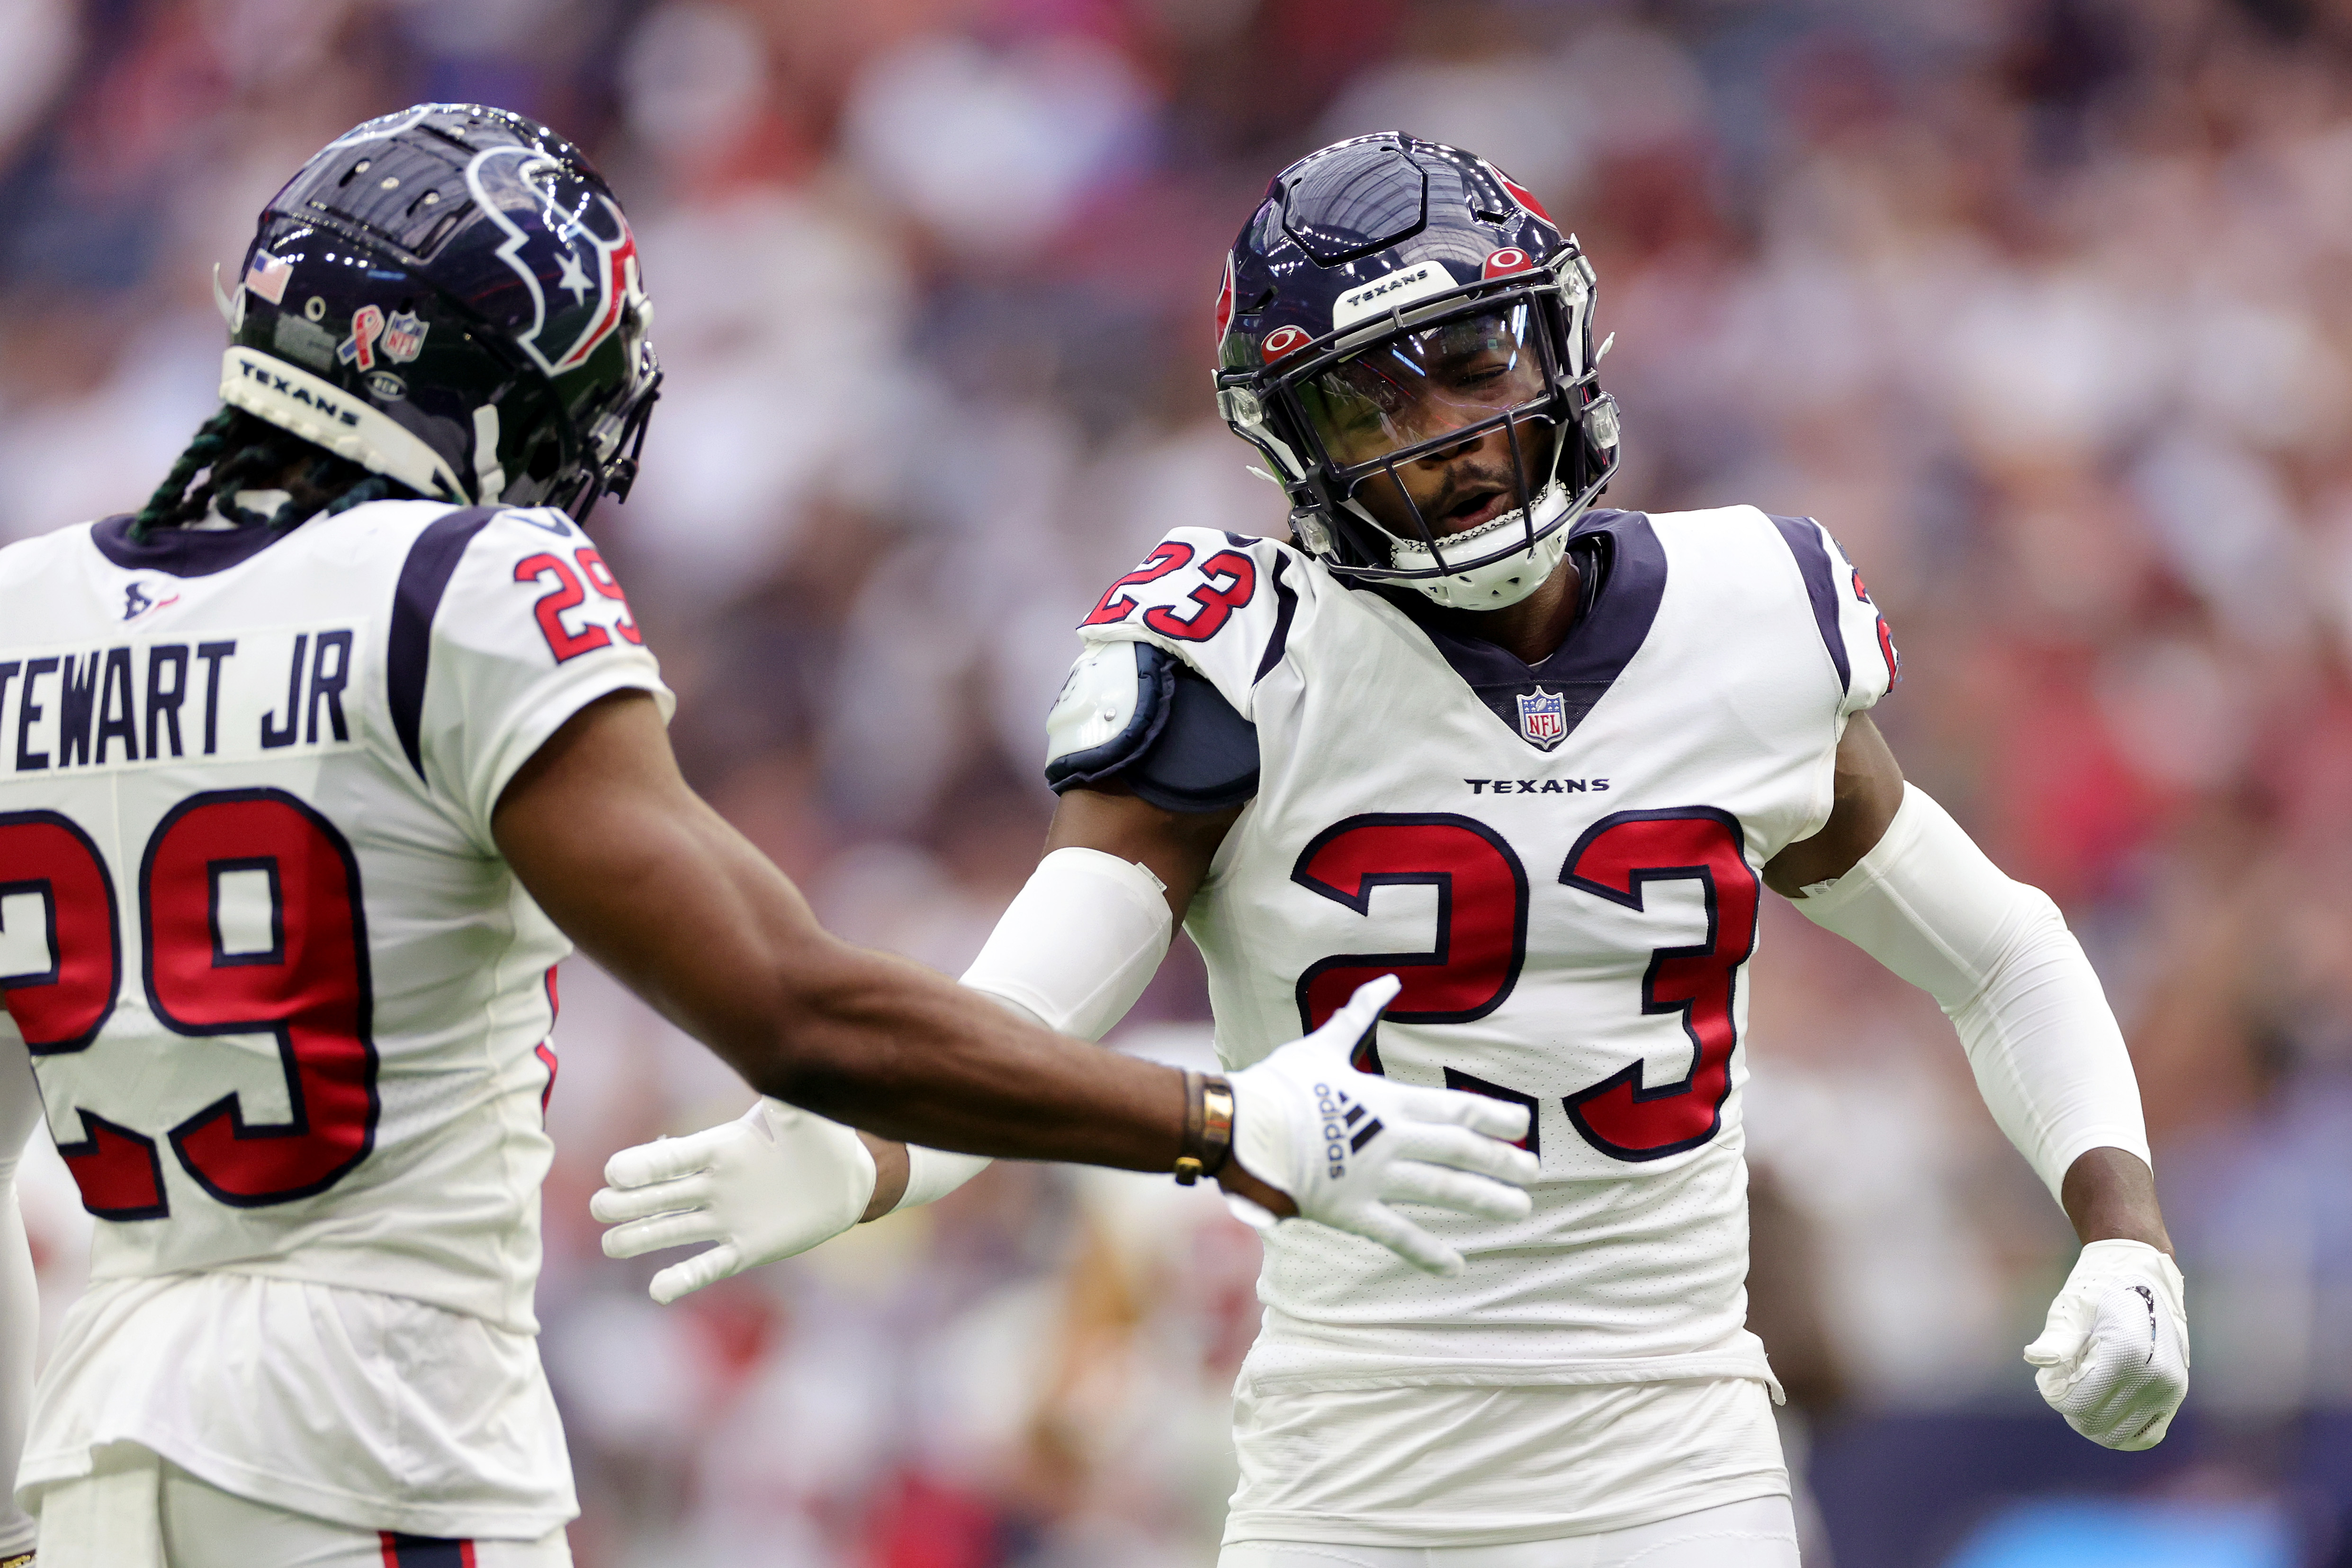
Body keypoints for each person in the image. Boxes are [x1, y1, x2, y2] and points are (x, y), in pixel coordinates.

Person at [596, 134, 2192, 1565]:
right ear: (1286, 442)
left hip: (1676, 1472)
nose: (1447, 434)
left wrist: (2125, 1240)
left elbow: (2001, 955)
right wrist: (868, 1153)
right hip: (1347, 1488)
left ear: (1554, 339)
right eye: (1370, 397)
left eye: (1472, 360)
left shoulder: (1747, 621)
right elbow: (1025, 1016)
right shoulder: (1247, 662)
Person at [0, 110, 1543, 1568]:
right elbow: (796, 1013)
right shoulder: (461, 587)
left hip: (93, 1442)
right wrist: (1223, 1123)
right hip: (372, 1427)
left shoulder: (22, 613)